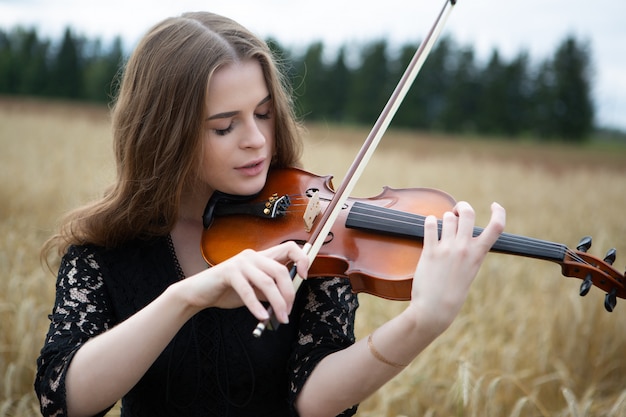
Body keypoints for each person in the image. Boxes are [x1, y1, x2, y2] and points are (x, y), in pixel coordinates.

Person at [34, 11, 506, 417]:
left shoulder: (309, 236)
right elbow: (64, 400)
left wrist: (420, 323)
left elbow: (313, 400)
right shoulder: (106, 251)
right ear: (165, 134)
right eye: (225, 126)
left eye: (263, 114)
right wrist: (186, 298)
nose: (256, 140)